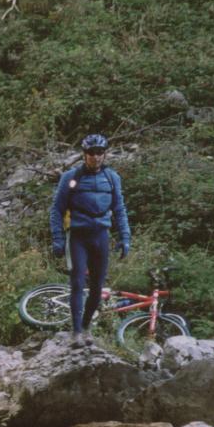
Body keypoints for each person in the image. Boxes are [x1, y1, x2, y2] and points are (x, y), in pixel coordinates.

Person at [49, 134, 131, 344]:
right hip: (78, 237)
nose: (96, 157)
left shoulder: (112, 178)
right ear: (84, 155)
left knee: (97, 287)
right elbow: (57, 210)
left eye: (99, 153)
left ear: (105, 154)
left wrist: (125, 237)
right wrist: (58, 238)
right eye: (91, 153)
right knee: (77, 283)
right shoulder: (71, 177)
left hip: (101, 236)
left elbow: (119, 209)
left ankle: (86, 328)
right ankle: (76, 333)